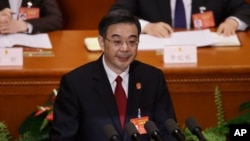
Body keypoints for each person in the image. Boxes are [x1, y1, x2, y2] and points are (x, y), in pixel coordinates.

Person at [50, 9, 177, 141]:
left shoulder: (152, 79)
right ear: (101, 42)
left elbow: (168, 132)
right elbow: (63, 138)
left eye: (132, 42)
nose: (125, 48)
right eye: (117, 42)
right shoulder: (76, 83)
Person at [110, 0, 250, 37]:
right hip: (156, 59)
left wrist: (233, 21)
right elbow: (116, 14)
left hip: (206, 56)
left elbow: (244, 9)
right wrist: (147, 27)